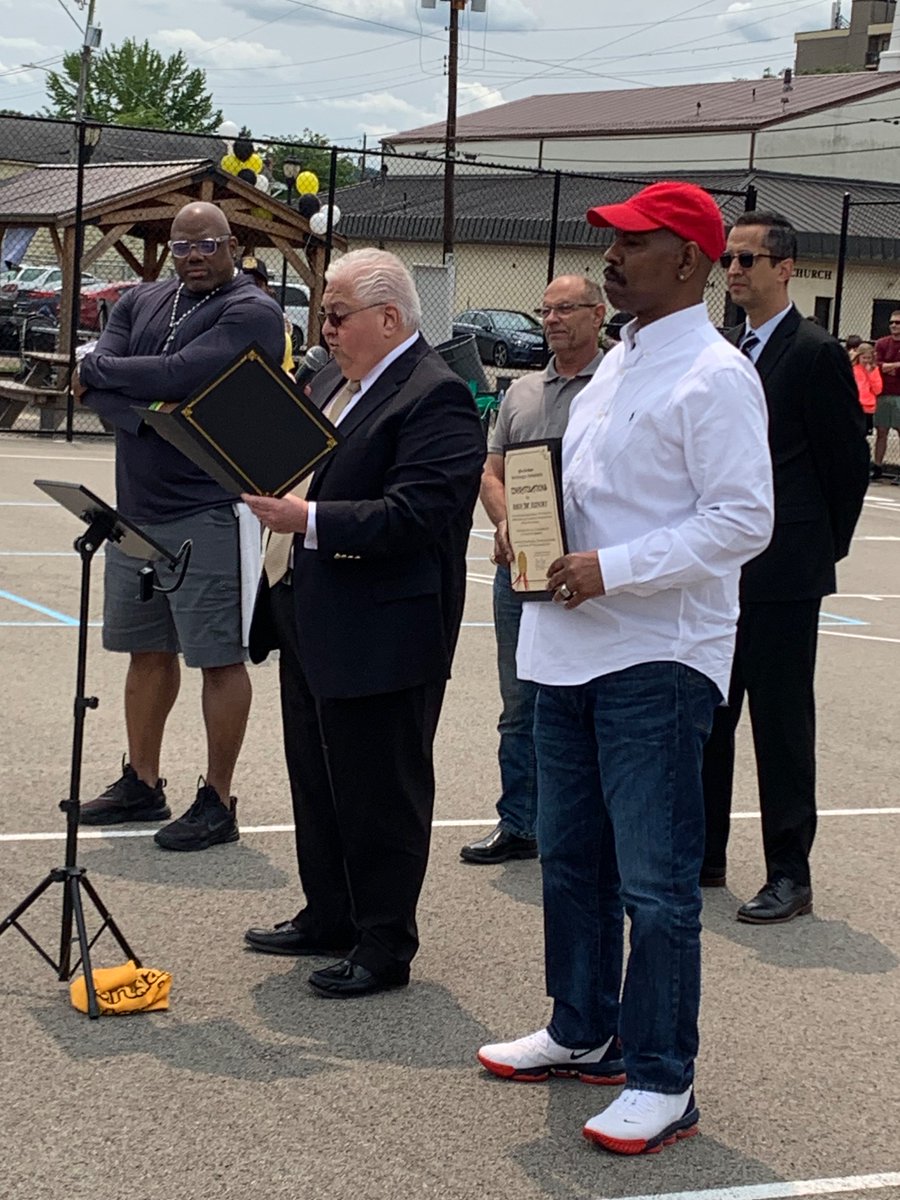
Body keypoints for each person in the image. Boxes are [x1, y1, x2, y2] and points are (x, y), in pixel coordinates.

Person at [476, 182, 773, 1155]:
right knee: (571, 861)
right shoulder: (614, 370)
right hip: (564, 650)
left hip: (656, 655)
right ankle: (580, 1027)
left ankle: (661, 1077)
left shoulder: (715, 376)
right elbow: (580, 494)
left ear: (688, 260)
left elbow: (742, 521)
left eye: (631, 244)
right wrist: (535, 539)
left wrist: (613, 568)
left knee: (655, 882)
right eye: (607, 243)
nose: (609, 260)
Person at [242, 248, 485, 998]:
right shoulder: (328, 380)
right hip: (307, 609)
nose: (325, 327)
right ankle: (329, 913)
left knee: (380, 786)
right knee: (316, 776)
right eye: (323, 313)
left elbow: (418, 514)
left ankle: (384, 941)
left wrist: (305, 516)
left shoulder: (434, 396)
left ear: (388, 318)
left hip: (383, 630)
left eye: (336, 314)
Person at [75, 202, 285, 851]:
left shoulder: (251, 310)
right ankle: (142, 779)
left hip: (209, 510)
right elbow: (134, 387)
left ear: (231, 246)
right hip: (135, 509)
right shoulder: (140, 300)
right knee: (148, 651)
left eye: (208, 244)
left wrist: (104, 376)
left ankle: (218, 800)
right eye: (183, 245)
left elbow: (181, 374)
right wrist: (151, 409)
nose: (194, 256)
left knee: (218, 658)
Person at [702, 211, 869, 921]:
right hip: (719, 570)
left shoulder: (814, 352)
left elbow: (846, 468)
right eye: (728, 260)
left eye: (748, 260)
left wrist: (816, 546)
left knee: (780, 723)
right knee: (711, 714)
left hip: (784, 572)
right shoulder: (722, 349)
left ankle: (789, 873)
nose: (734, 271)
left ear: (785, 268)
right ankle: (703, 856)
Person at [460, 275, 605, 865]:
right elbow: (492, 472)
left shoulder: (617, 389)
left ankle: (584, 825)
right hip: (520, 570)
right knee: (519, 702)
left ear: (598, 315)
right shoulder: (520, 393)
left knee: (588, 701)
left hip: (589, 573)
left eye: (565, 309)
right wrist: (504, 525)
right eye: (544, 310)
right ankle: (519, 821)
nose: (551, 319)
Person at [240, 254, 295, 375]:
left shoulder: (282, 338)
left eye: (258, 285)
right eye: (244, 284)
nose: (251, 291)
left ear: (267, 289)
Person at [873, 310, 900, 480]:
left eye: (898, 323)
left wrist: (890, 366)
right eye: (892, 323)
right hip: (883, 393)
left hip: (899, 395)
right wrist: (894, 366)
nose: (894, 326)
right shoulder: (882, 343)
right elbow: (877, 364)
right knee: (881, 431)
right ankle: (877, 467)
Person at [850, 340, 881, 436]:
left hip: (868, 408)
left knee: (864, 434)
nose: (867, 360)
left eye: (869, 358)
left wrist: (870, 374)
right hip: (854, 405)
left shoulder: (874, 370)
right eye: (864, 358)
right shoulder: (853, 369)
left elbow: (878, 390)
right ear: (858, 357)